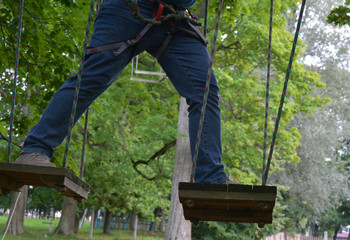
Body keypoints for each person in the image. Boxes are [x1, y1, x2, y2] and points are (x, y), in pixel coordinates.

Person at [15, 0, 231, 184]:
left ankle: (211, 177)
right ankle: (35, 149)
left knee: (204, 89)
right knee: (93, 78)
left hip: (175, 18)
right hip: (129, 7)